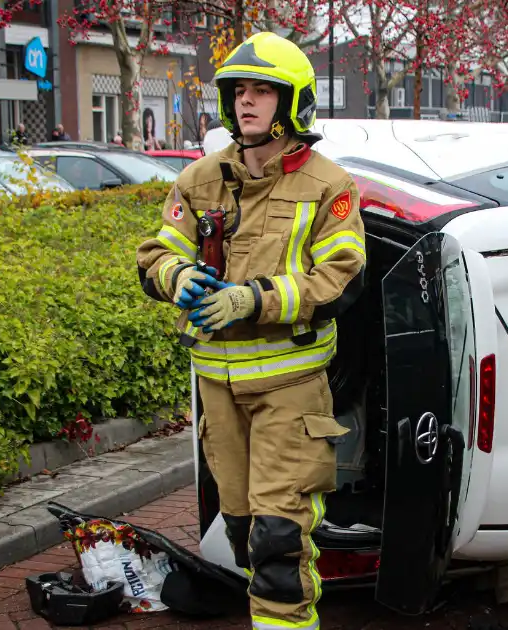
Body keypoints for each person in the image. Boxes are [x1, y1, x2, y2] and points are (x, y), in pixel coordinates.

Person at [134, 31, 366, 630]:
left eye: (263, 90)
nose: (247, 102)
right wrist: (175, 275)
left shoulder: (327, 187)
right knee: (239, 533)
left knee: (279, 544)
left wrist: (252, 300)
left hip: (289, 393)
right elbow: (155, 255)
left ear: (293, 103)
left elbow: (341, 280)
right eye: (239, 90)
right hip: (218, 390)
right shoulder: (200, 180)